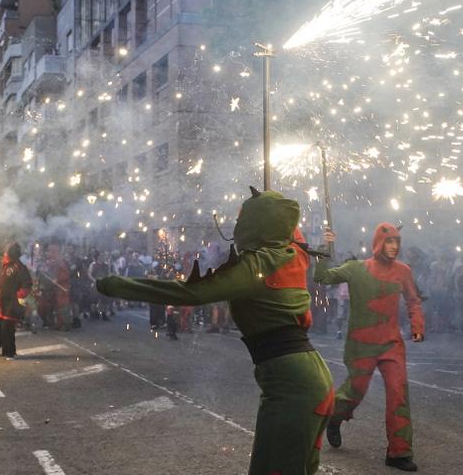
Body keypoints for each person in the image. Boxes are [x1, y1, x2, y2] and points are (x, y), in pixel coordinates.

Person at [97, 188, 334, 475]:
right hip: (306, 381)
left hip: (293, 386)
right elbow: (287, 225)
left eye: (244, 218)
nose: (238, 226)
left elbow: (191, 293)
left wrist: (116, 285)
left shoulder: (257, 267)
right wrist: (272, 204)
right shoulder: (293, 253)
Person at [314, 223, 425, 472]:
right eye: (389, 242)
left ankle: (399, 453)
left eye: (397, 241)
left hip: (391, 344)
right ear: (378, 243)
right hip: (361, 343)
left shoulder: (403, 271)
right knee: (355, 391)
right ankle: (335, 417)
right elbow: (322, 278)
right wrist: (323, 248)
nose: (394, 247)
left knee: (398, 394)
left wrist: (418, 325)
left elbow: (413, 300)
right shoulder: (357, 269)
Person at [0, 243, 32, 360]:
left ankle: (10, 352)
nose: (4, 253)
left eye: (6, 252)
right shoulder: (5, 264)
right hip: (1, 301)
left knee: (7, 327)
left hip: (11, 303)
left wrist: (19, 295)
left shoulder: (19, 267)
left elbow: (27, 284)